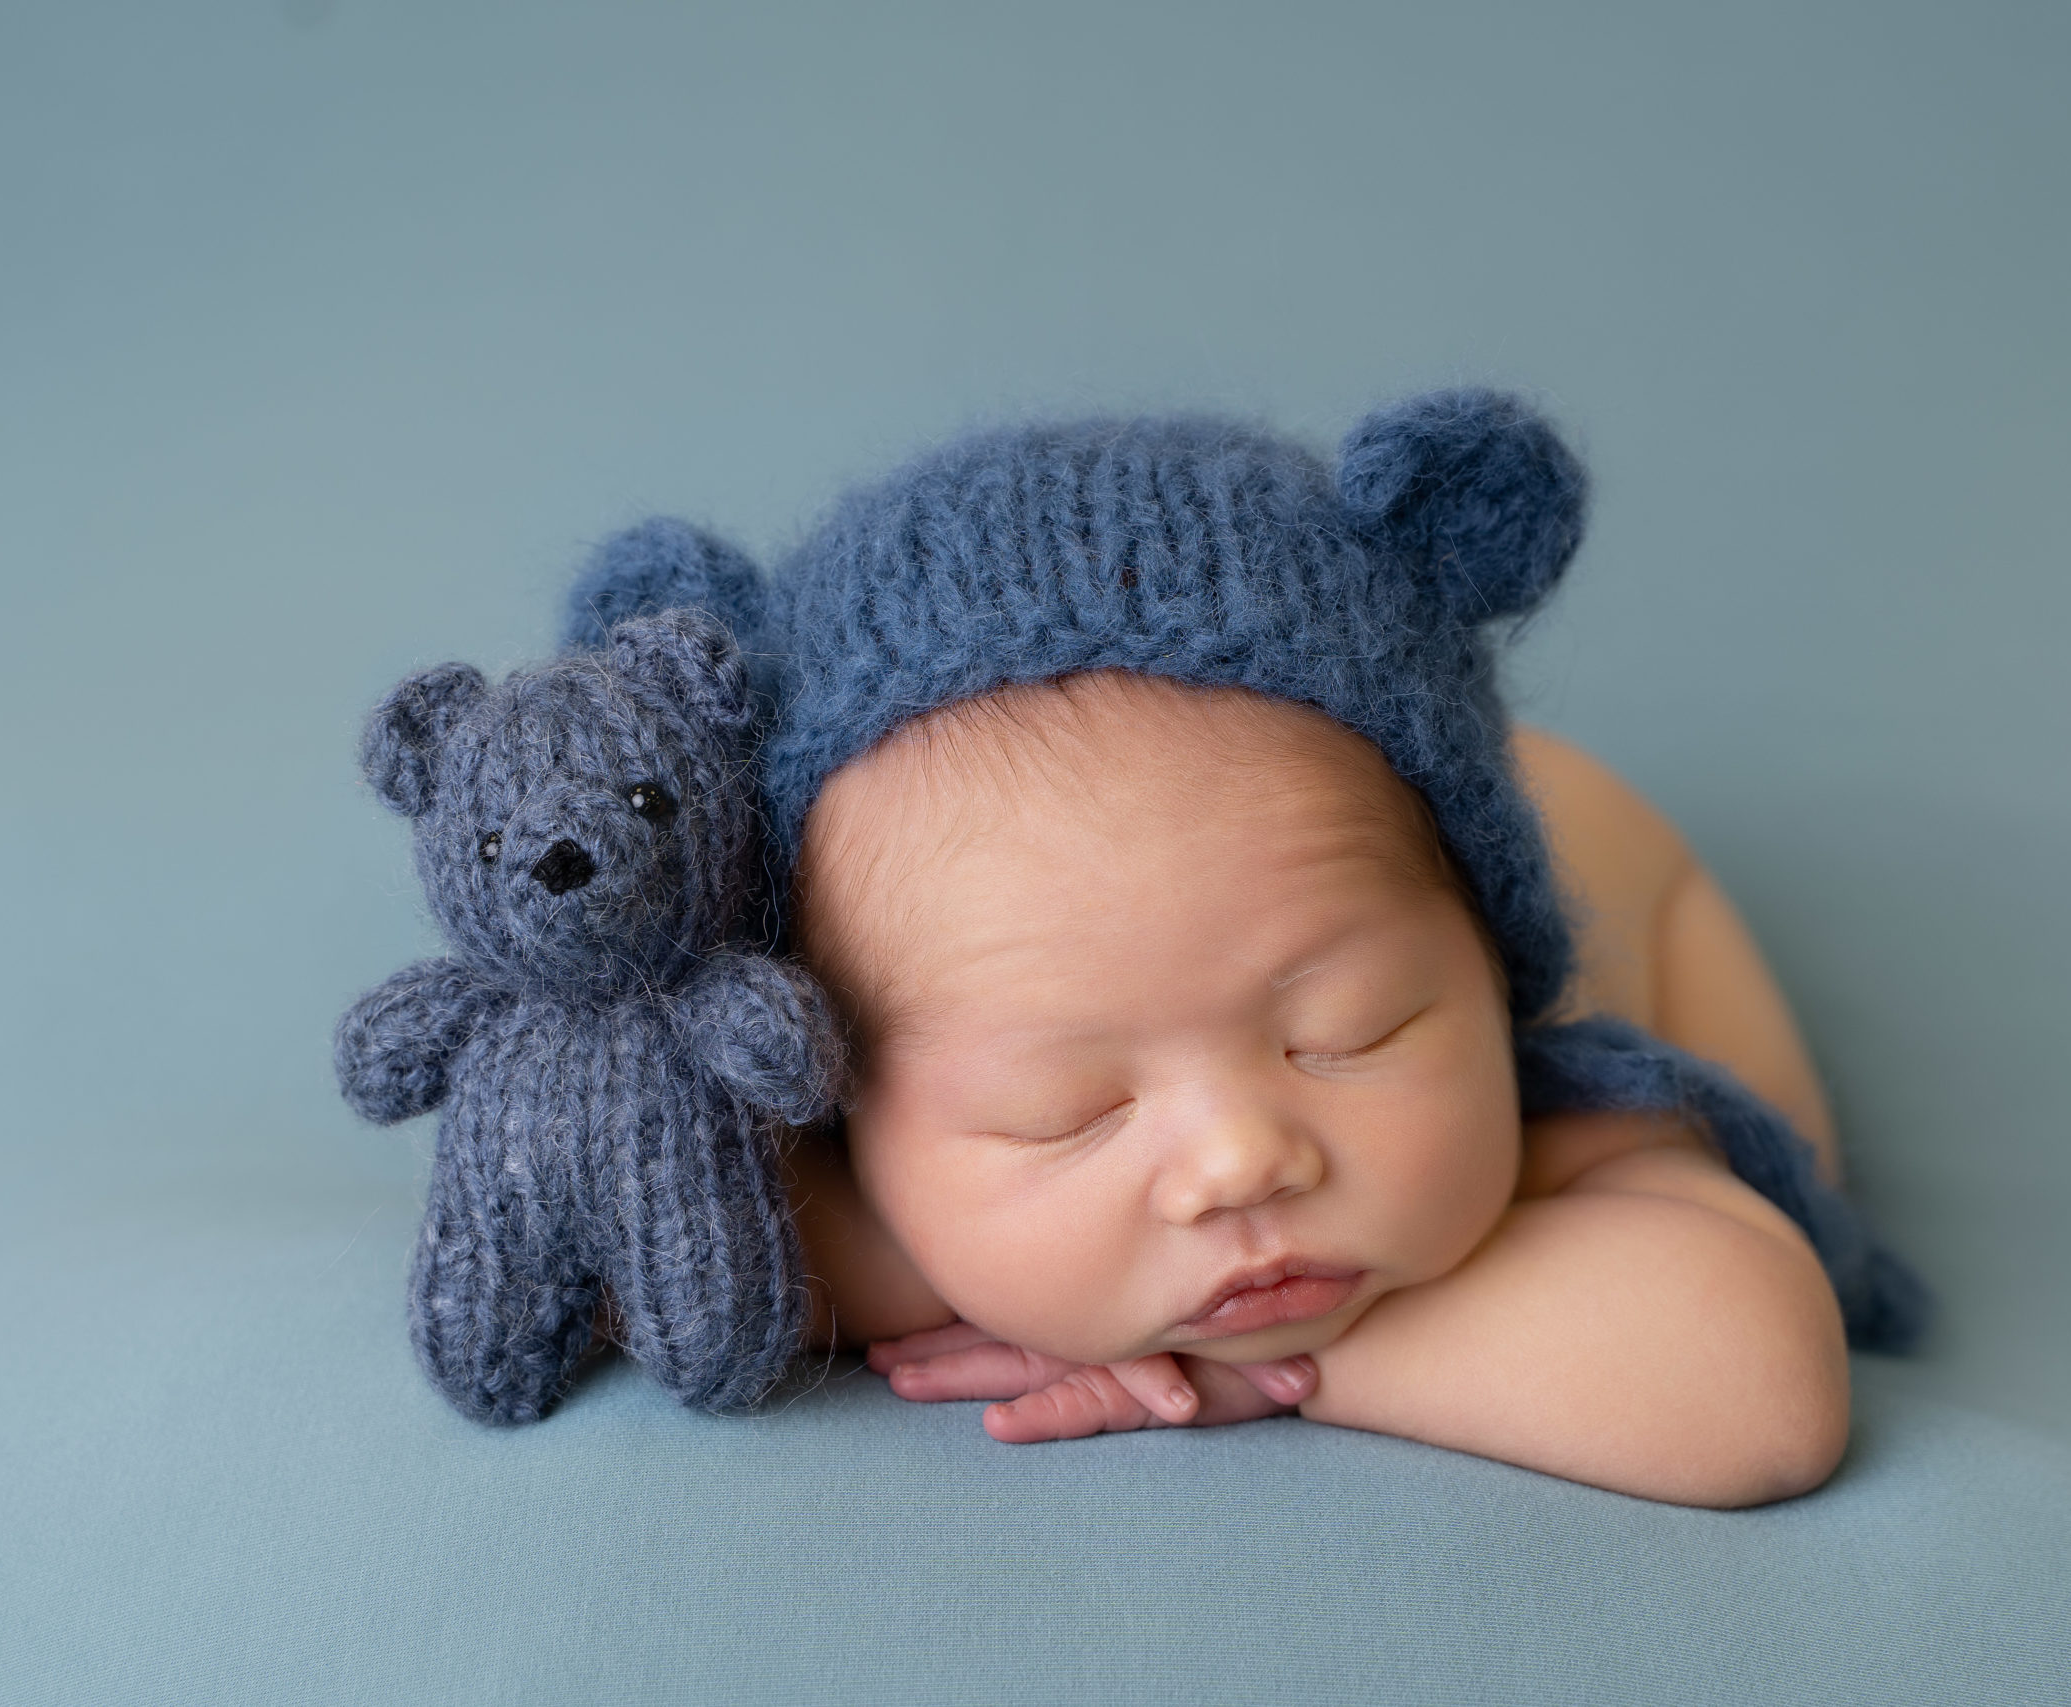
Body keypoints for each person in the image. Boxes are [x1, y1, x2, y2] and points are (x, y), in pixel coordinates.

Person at [570, 389, 1923, 1507]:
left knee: (1779, 1147)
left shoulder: (1556, 1122)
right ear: (843, 1114)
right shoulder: (827, 1202)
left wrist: (1256, 1377)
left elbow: (1760, 1400)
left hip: (1633, 879)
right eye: (1067, 1115)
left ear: (1476, 959)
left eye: (1354, 1028)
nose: (1239, 1162)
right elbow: (600, 1258)